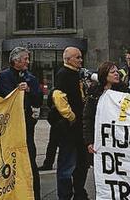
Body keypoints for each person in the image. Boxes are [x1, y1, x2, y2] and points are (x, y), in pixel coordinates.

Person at [0, 47, 42, 200]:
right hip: (9, 126)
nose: (28, 62)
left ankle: (34, 194)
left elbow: (39, 99)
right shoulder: (4, 76)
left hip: (26, 125)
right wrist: (17, 89)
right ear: (16, 61)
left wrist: (29, 90)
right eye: (25, 59)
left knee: (29, 159)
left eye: (28, 59)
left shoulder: (31, 78)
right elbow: (4, 97)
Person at [48, 47, 88, 200]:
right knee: (67, 165)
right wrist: (72, 117)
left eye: (80, 57)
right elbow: (58, 97)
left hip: (77, 129)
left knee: (81, 164)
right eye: (77, 57)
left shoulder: (75, 74)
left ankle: (79, 192)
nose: (80, 60)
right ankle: (65, 196)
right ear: (68, 59)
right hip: (68, 130)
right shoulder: (64, 74)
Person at [83, 61, 126, 155]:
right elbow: (88, 118)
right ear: (104, 75)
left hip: (119, 137)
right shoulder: (94, 93)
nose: (116, 74)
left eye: (117, 72)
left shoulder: (124, 91)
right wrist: (89, 141)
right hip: (101, 136)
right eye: (112, 72)